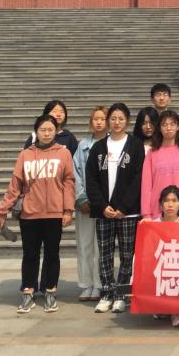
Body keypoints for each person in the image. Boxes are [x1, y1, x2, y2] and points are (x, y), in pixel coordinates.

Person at [0, 114, 75, 314]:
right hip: (29, 214)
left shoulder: (63, 153)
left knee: (52, 254)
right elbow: (15, 185)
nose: (47, 133)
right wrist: (3, 209)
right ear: (36, 132)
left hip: (54, 214)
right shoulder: (25, 155)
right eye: (43, 130)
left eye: (50, 130)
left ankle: (50, 291)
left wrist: (68, 210)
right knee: (30, 255)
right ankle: (28, 292)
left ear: (56, 131)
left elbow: (69, 182)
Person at [85, 102, 145, 314]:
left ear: (127, 121)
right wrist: (102, 206)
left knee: (127, 254)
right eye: (113, 118)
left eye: (121, 118)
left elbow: (138, 178)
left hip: (128, 212)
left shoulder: (135, 145)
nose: (117, 122)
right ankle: (107, 293)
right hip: (104, 212)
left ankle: (121, 294)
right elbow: (91, 179)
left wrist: (123, 206)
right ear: (108, 121)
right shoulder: (98, 147)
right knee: (105, 253)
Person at [73, 106, 106, 301]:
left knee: (102, 247)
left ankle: (100, 284)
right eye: (96, 119)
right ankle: (86, 284)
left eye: (103, 118)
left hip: (105, 205)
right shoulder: (83, 145)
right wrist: (81, 198)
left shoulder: (113, 144)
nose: (99, 122)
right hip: (85, 204)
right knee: (85, 244)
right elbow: (75, 173)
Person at [140, 109, 179, 221]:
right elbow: (146, 185)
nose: (168, 128)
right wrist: (146, 213)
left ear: (178, 127)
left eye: (172, 124)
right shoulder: (152, 152)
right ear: (159, 128)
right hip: (157, 212)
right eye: (164, 125)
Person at [151, 185, 179, 326]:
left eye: (174, 201)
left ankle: (177, 312)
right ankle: (162, 305)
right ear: (161, 205)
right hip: (160, 266)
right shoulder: (153, 225)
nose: (170, 204)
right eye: (166, 201)